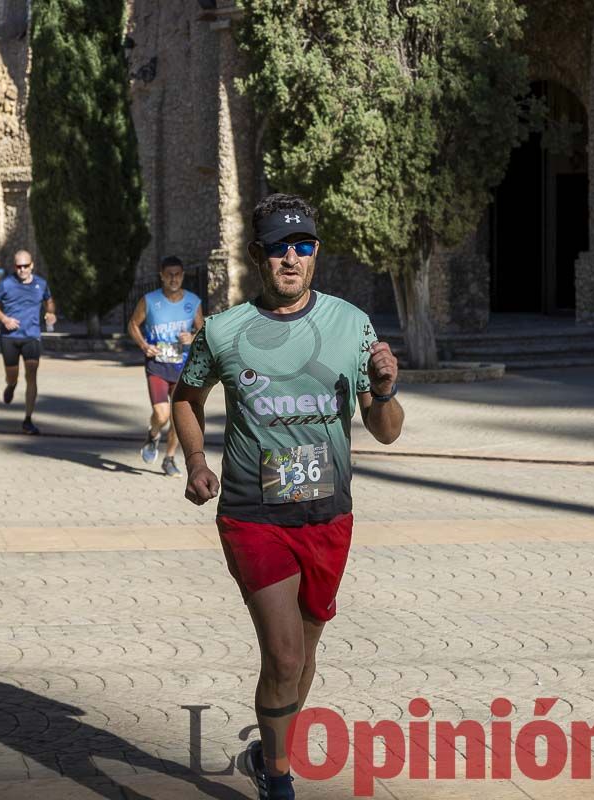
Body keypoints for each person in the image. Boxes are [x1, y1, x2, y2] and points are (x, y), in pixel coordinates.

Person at [172, 194, 404, 800]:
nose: (292, 258)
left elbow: (386, 430)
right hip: (254, 516)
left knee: (303, 655)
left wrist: (383, 390)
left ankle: (266, 751)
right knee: (282, 657)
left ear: (316, 252)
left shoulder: (352, 325)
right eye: (279, 248)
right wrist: (196, 462)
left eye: (303, 246)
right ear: (258, 255)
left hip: (328, 516)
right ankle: (278, 779)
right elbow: (185, 398)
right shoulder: (223, 331)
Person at [127, 256, 204, 477]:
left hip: (182, 367)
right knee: (162, 415)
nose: (173, 279)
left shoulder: (193, 301)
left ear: (183, 275)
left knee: (178, 418)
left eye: (177, 274)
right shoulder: (150, 300)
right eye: (169, 275)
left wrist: (192, 337)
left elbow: (202, 330)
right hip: (157, 366)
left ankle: (169, 459)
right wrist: (144, 345)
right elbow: (133, 324)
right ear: (161, 276)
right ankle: (153, 434)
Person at [0, 250, 55, 435]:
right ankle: (11, 385)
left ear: (32, 265)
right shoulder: (7, 284)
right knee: (12, 376)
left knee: (31, 375)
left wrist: (50, 313)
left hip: (32, 336)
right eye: (19, 266)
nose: (22, 269)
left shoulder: (41, 284)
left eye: (25, 266)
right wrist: (5, 319)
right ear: (15, 267)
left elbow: (49, 301)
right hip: (9, 337)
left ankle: (28, 420)